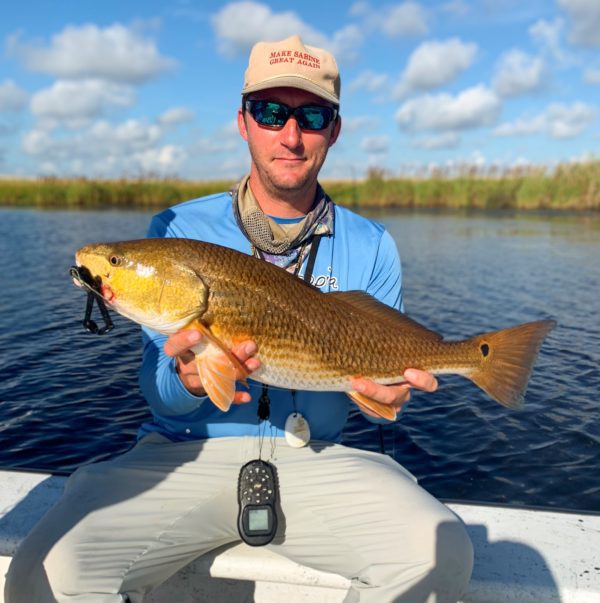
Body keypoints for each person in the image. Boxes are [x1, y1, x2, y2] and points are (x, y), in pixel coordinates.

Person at [5, 35, 473, 602]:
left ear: (335, 129)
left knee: (442, 553)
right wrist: (185, 379)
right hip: (184, 451)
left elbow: (384, 377)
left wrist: (389, 394)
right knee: (45, 571)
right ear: (244, 121)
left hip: (320, 457)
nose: (291, 135)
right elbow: (157, 386)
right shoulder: (177, 231)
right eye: (271, 112)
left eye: (313, 115)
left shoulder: (372, 244)